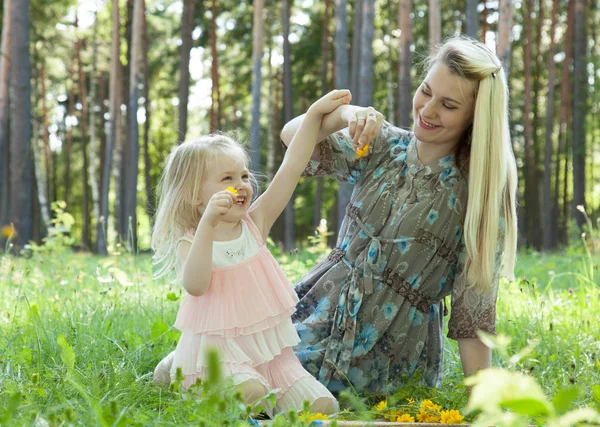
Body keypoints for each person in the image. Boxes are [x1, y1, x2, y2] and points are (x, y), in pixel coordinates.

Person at [280, 36, 518, 393]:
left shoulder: (478, 195)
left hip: (389, 347)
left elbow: (473, 314)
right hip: (319, 310)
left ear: (475, 119)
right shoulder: (382, 145)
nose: (429, 109)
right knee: (231, 357)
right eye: (426, 91)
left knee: (283, 388)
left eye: (449, 105)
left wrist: (482, 406)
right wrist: (347, 114)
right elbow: (291, 136)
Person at [150, 90, 353, 415]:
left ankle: (190, 369)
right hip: (216, 355)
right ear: (195, 197)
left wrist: (314, 115)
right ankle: (180, 368)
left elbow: (291, 169)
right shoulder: (191, 240)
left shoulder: (255, 223)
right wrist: (207, 225)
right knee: (252, 393)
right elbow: (196, 285)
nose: (242, 184)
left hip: (269, 356)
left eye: (244, 175)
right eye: (227, 178)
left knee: (322, 406)